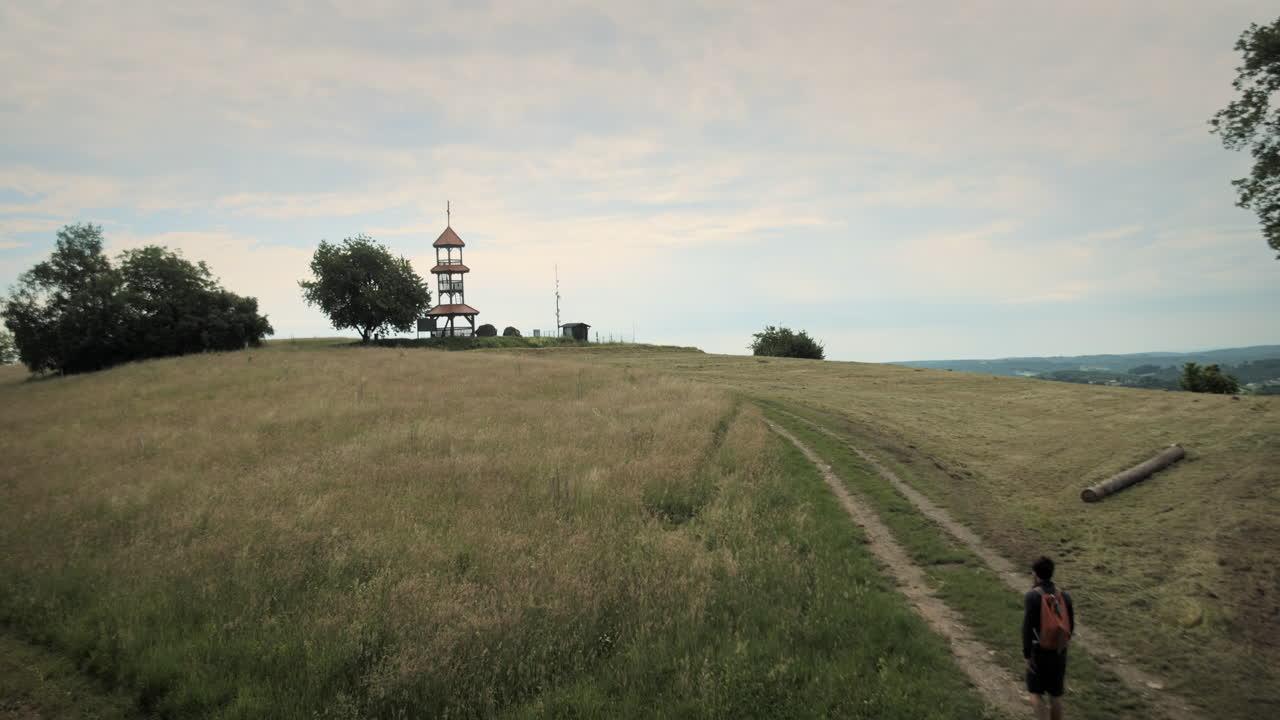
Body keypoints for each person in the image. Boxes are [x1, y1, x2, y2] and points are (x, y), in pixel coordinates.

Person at [1023, 555, 1074, 720]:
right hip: (1059, 651)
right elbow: (1070, 626)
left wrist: (1027, 654)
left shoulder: (1032, 596)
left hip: (1039, 650)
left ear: (1035, 574)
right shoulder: (1064, 596)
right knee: (1055, 696)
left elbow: (1027, 628)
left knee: (1035, 693)